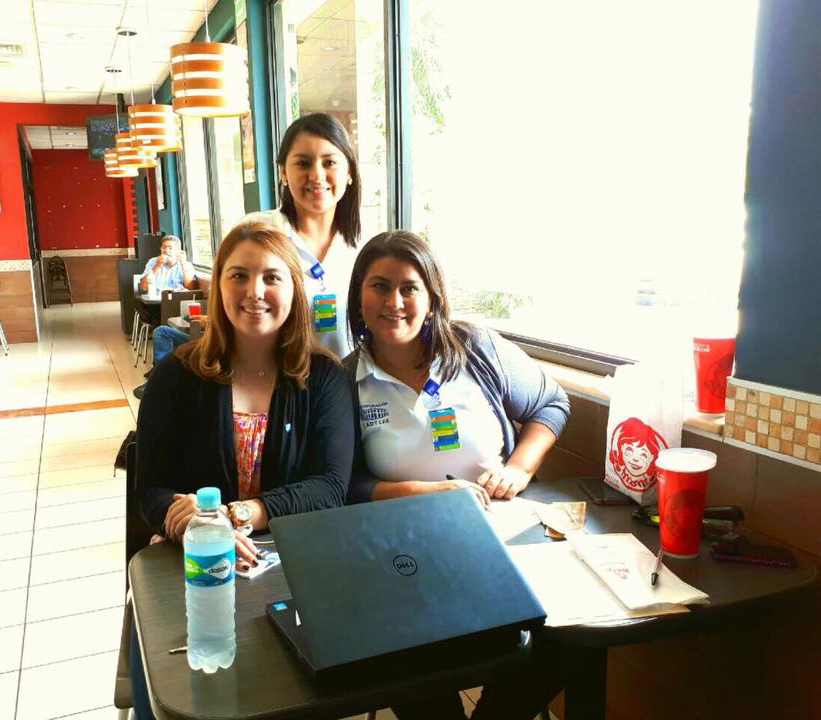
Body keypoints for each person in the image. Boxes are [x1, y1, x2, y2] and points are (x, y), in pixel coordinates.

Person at [131, 221, 355, 719]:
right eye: (239, 276)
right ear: (218, 286)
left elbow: (330, 488)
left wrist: (236, 515)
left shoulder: (324, 379)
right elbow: (150, 490)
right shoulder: (175, 377)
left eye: (272, 277)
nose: (255, 291)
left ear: (294, 290)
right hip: (193, 571)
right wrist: (190, 520)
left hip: (295, 574)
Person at [344, 230, 570, 720]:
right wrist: (425, 494)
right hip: (403, 556)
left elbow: (551, 403)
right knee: (401, 656)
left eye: (409, 288)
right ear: (359, 296)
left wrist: (519, 468)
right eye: (379, 286)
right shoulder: (345, 381)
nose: (394, 302)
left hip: (501, 541)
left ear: (432, 298)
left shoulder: (477, 349)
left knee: (567, 636)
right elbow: (343, 484)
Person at [241, 112, 362, 358]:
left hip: (348, 379)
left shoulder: (365, 244)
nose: (316, 175)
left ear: (349, 172)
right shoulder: (254, 233)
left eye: (329, 163)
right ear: (284, 172)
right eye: (303, 163)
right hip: (275, 376)